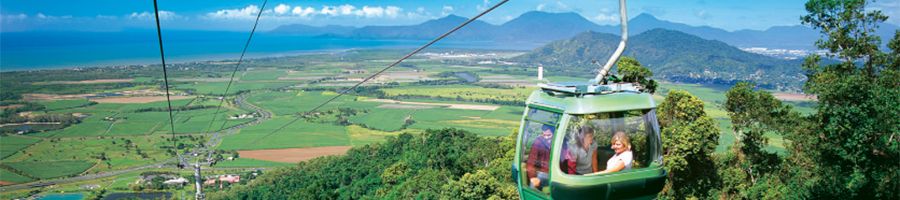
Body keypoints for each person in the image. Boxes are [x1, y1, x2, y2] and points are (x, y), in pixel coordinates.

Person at [527, 124, 554, 190]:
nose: (547, 138)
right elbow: (531, 161)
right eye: (544, 135)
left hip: (555, 173)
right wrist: (533, 177)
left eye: (549, 135)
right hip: (542, 172)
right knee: (535, 183)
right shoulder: (538, 142)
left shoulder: (558, 142)